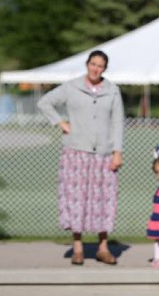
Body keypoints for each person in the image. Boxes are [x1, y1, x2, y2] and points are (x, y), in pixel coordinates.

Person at [37, 50, 124, 265]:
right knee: (77, 199)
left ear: (105, 69)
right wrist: (60, 122)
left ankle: (103, 247)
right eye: (93, 64)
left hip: (103, 154)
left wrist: (117, 152)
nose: (96, 69)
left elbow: (117, 122)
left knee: (103, 199)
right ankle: (78, 247)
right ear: (87, 64)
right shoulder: (72, 87)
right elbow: (44, 103)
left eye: (100, 66)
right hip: (76, 152)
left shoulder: (113, 91)